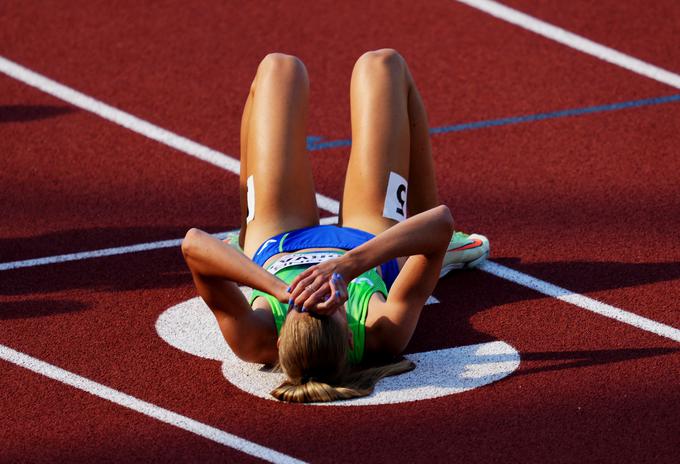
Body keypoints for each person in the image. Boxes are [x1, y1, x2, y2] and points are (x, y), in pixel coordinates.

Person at [181, 49, 489, 403]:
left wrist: (281, 291)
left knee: (279, 68)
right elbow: (440, 223)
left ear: (279, 342)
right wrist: (345, 267)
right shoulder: (380, 332)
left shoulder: (255, 339)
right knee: (382, 65)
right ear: (349, 340)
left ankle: (244, 237)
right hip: (369, 238)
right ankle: (444, 257)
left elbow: (194, 245)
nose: (314, 295)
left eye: (303, 305)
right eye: (331, 306)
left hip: (275, 241)